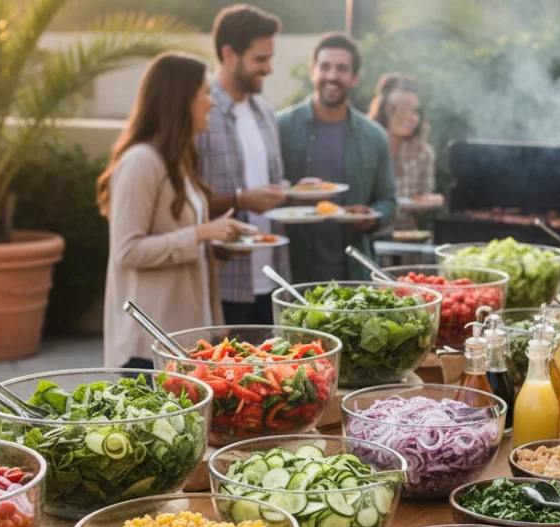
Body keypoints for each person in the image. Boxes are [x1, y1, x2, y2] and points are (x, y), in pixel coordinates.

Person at [99, 52, 250, 369]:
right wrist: (199, 234)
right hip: (147, 348)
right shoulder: (141, 162)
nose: (212, 102)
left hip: (183, 344)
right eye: (205, 92)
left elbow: (176, 242)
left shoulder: (179, 160)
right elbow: (127, 251)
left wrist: (218, 243)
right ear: (180, 100)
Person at [277, 32, 397, 282]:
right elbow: (265, 190)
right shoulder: (281, 127)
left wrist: (372, 217)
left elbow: (387, 200)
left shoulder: (374, 135)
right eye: (325, 67)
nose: (332, 76)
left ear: (355, 78)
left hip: (354, 275)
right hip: (291, 273)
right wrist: (291, 194)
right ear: (312, 72)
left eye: (342, 69)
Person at [199, 4, 289, 324]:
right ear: (228, 54)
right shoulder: (200, 114)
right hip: (223, 283)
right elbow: (182, 205)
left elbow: (271, 186)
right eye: (260, 59)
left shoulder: (265, 113)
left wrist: (293, 191)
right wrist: (240, 200)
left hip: (272, 280)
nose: (268, 69)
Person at [368, 73, 436, 229]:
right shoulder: (366, 147)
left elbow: (423, 200)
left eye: (415, 111)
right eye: (404, 110)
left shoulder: (423, 153)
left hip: (407, 236)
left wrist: (429, 201)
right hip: (369, 234)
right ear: (385, 110)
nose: (413, 118)